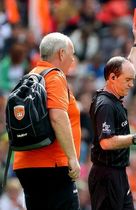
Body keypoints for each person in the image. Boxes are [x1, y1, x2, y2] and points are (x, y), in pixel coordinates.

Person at [88, 23, 136, 210]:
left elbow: (130, 66)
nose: (131, 85)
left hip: (118, 175)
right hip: (106, 177)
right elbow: (106, 142)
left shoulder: (115, 96)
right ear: (112, 78)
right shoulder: (105, 105)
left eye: (132, 80)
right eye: (127, 80)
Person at [12, 32, 81, 209]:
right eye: (71, 54)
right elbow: (57, 117)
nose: (72, 60)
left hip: (25, 165)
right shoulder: (55, 76)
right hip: (53, 165)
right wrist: (72, 158)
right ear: (61, 54)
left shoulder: (29, 77)